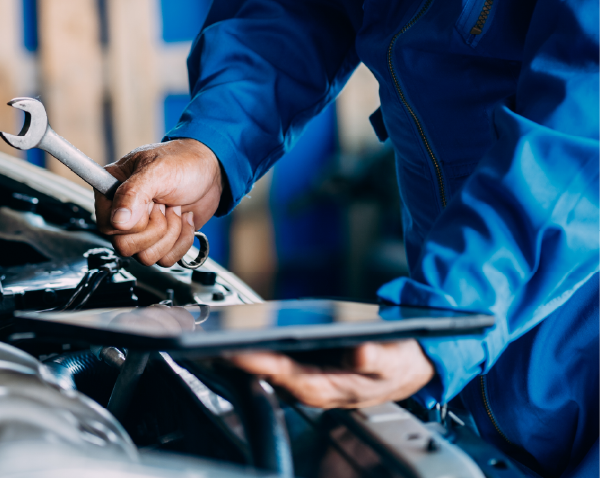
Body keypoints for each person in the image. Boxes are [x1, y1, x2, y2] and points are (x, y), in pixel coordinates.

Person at [93, 0, 600, 476]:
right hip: (478, 353)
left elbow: (583, 125)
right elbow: (296, 8)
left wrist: (447, 314)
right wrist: (211, 143)